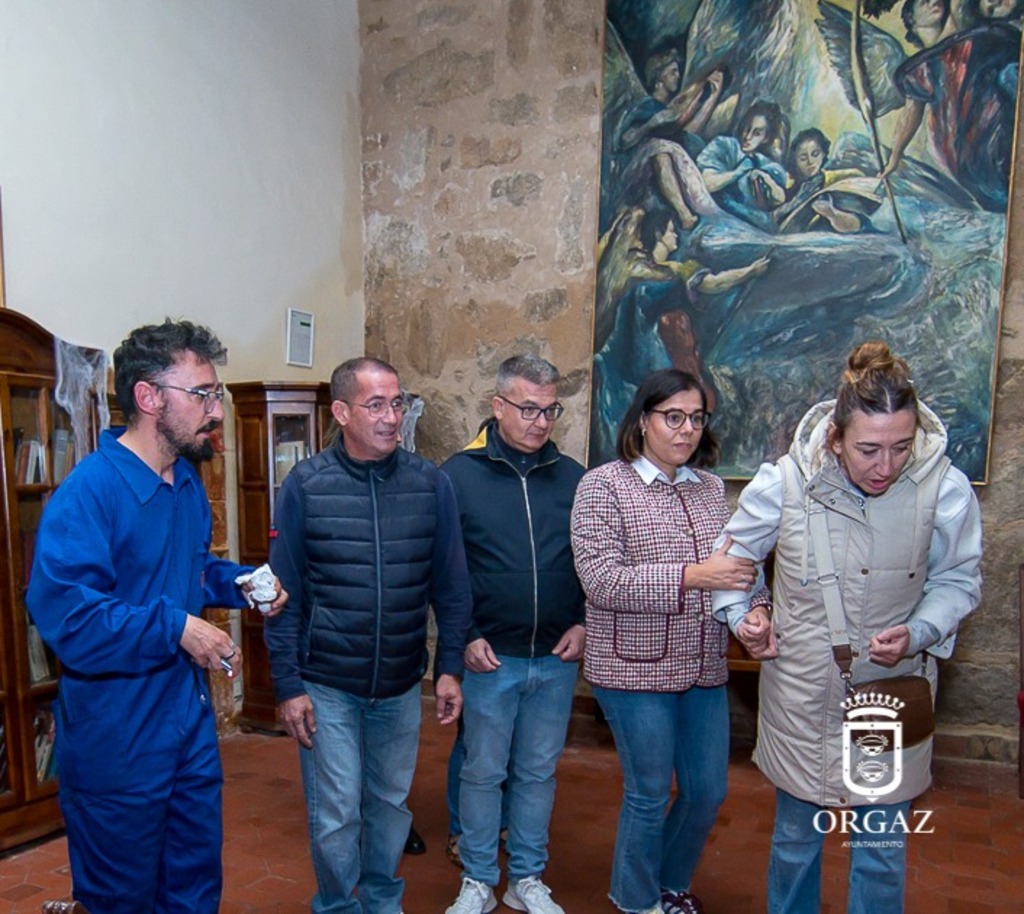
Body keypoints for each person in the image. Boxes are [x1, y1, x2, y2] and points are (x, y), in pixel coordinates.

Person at [26, 319, 286, 914]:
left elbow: (189, 572)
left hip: (186, 725)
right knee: (122, 898)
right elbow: (72, 619)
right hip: (117, 736)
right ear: (148, 397)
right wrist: (175, 627)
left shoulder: (186, 482)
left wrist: (242, 584)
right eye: (202, 394)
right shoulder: (88, 494)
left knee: (194, 888)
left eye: (215, 393)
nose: (215, 410)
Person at [713, 341, 983, 914]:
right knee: (795, 844)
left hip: (889, 694)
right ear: (836, 438)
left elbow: (958, 581)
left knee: (880, 849)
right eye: (868, 449)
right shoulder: (785, 483)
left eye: (901, 447)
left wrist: (919, 631)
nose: (886, 466)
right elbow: (730, 564)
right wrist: (743, 615)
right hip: (803, 695)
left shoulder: (944, 488)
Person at [265, 356, 473, 914]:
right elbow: (282, 596)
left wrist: (448, 668)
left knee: (389, 806)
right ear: (341, 412)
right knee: (337, 812)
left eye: (397, 403)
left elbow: (452, 586)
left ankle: (381, 902)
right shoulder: (306, 485)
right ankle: (338, 905)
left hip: (400, 684)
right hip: (327, 683)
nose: (391, 417)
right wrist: (288, 685)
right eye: (375, 405)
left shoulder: (430, 484)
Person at [570, 369, 768, 914]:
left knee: (707, 793)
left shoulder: (709, 489)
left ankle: (670, 882)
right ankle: (636, 901)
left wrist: (755, 612)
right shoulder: (603, 486)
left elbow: (740, 565)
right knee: (649, 793)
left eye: (696, 419)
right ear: (642, 420)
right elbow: (602, 580)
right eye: (673, 417)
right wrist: (692, 576)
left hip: (703, 664)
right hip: (633, 670)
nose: (686, 430)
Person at [441, 354, 585, 914]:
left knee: (537, 773)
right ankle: (478, 878)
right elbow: (445, 570)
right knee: (483, 772)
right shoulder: (457, 476)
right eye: (528, 409)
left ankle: (526, 878)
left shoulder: (573, 478)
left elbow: (591, 563)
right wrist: (466, 634)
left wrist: (583, 622)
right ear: (497, 406)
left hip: (555, 657)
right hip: (489, 658)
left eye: (550, 410)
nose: (541, 422)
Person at [697, 99, 789, 232]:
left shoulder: (767, 164)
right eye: (747, 128)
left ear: (766, 138)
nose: (748, 137)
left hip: (751, 224)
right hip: (718, 216)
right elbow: (706, 184)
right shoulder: (724, 145)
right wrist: (738, 172)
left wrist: (765, 178)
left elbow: (779, 199)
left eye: (757, 133)